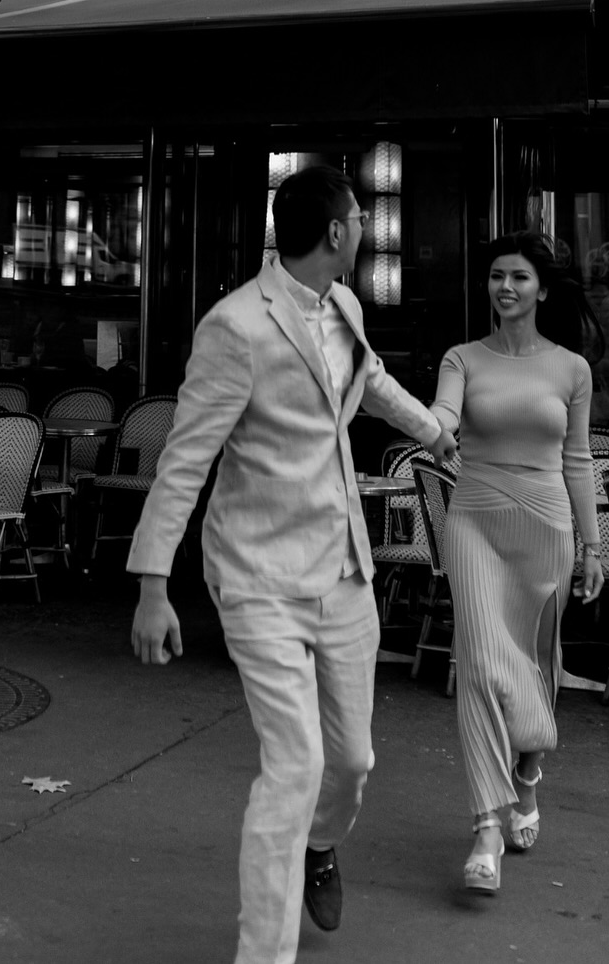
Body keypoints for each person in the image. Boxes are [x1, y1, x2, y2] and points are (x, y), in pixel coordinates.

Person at [128, 164, 458, 964]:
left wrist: (435, 431)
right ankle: (264, 952)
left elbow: (369, 383)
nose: (366, 231)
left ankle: (320, 843)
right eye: (361, 219)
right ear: (338, 231)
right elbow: (185, 459)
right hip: (256, 574)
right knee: (295, 762)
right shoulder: (235, 326)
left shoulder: (343, 304)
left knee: (350, 760)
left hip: (343, 566)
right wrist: (151, 585)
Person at [429, 230, 605, 896]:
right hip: (473, 519)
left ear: (542, 289)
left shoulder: (571, 368)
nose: (505, 286)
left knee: (533, 670)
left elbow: (579, 459)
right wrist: (431, 423)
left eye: (519, 277)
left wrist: (593, 546)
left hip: (547, 528)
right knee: (477, 662)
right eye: (497, 275)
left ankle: (527, 773)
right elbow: (444, 411)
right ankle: (485, 826)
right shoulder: (462, 358)